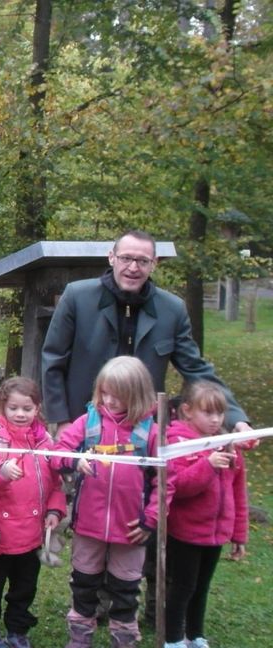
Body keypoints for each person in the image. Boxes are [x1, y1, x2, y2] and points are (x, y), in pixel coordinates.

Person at [40, 229, 256, 627]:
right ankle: (94, 602)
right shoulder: (78, 296)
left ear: (153, 264)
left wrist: (235, 418)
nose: (133, 266)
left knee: (146, 515)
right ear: (111, 257)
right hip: (91, 431)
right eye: (126, 258)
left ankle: (143, 599)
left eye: (142, 260)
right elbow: (53, 360)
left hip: (143, 438)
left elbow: (196, 368)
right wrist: (65, 421)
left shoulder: (171, 309)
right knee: (92, 513)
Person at [52, 356, 159, 648]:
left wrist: (152, 519)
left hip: (131, 530)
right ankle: (79, 640)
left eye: (118, 395)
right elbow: (56, 452)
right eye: (105, 392)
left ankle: (123, 640)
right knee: (84, 588)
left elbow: (165, 482)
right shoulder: (89, 423)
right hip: (89, 525)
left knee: (125, 592)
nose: (110, 400)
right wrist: (76, 460)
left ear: (136, 395)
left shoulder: (150, 432)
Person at [0, 377, 65, 648]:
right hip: (0, 535)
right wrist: (1, 474)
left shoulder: (46, 442)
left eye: (27, 408)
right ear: (2, 407)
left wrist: (55, 510)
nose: (20, 414)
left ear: (37, 408)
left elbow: (56, 483)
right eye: (13, 408)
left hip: (33, 534)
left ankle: (17, 629)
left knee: (24, 589)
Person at [162, 381, 248, 648]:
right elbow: (180, 487)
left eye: (220, 413)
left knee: (201, 588)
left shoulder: (227, 444)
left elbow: (238, 492)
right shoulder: (177, 443)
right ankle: (174, 639)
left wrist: (238, 534)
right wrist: (207, 465)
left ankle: (195, 635)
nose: (215, 419)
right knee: (182, 588)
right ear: (187, 411)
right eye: (208, 412)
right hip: (186, 532)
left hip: (216, 534)